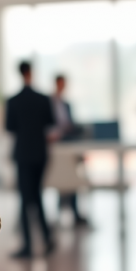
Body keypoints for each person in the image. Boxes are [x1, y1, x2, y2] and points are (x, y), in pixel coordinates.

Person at [5, 61, 55, 258]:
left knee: (25, 199)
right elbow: (50, 122)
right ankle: (47, 238)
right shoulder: (43, 99)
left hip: (23, 154)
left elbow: (10, 127)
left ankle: (27, 245)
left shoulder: (13, 101)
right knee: (37, 196)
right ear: (31, 73)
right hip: (41, 153)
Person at [50, 74, 88, 227]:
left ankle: (74, 212)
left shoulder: (67, 105)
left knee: (72, 179)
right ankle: (59, 212)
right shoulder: (49, 103)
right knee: (59, 179)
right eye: (60, 84)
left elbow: (70, 124)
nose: (62, 86)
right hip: (56, 147)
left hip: (68, 144)